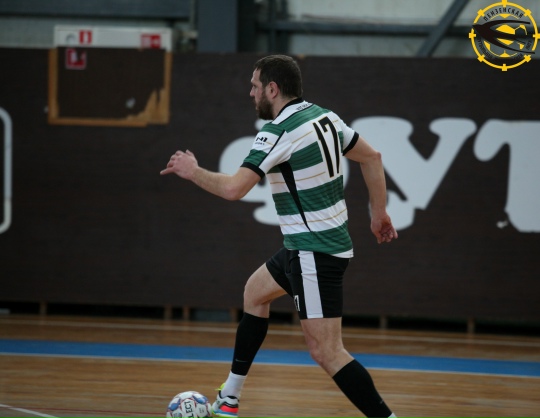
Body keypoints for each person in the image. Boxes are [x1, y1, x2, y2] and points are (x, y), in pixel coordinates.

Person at [160, 55, 398, 418]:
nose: (251, 92)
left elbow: (234, 189)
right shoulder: (325, 117)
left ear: (272, 89)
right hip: (305, 246)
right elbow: (373, 157)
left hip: (313, 252)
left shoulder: (277, 131)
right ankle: (229, 399)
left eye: (255, 86)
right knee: (255, 293)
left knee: (327, 352)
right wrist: (378, 213)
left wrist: (193, 171)